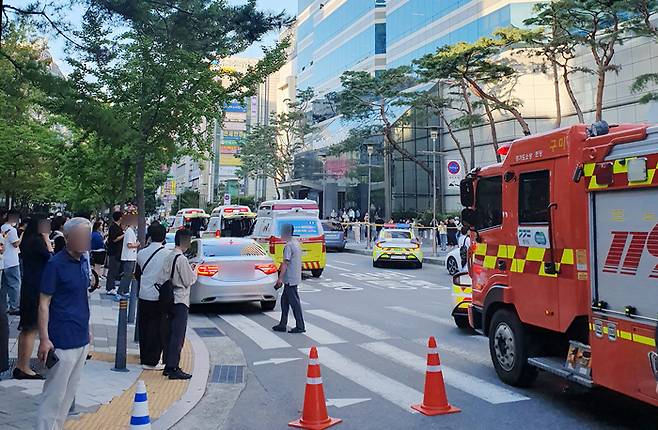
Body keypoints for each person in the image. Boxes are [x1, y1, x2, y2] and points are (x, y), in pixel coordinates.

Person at [36, 218, 92, 430]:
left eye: (87, 236)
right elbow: (43, 303)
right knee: (54, 397)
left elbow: (82, 297)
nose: (85, 241)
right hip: (60, 340)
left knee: (68, 397)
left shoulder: (83, 261)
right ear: (67, 238)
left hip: (80, 338)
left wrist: (88, 330)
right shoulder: (55, 264)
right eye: (81, 237)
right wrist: (44, 339)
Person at [14, 217, 53, 380]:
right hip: (36, 287)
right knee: (31, 328)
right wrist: (46, 239)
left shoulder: (27, 240)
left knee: (26, 328)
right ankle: (25, 367)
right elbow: (52, 259)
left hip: (28, 285)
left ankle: (20, 365)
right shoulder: (38, 242)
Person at [159, 228, 197, 380]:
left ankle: (168, 364)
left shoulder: (169, 256)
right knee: (178, 335)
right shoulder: (181, 259)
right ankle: (173, 367)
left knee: (169, 333)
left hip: (168, 299)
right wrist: (195, 272)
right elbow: (188, 281)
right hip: (180, 299)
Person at [136, 223, 168, 370]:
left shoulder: (141, 253)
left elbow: (137, 274)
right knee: (157, 328)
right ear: (164, 236)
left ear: (149, 236)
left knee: (144, 326)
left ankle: (144, 357)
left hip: (143, 294)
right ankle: (152, 361)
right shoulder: (167, 254)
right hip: (158, 296)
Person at [272, 224, 305, 334]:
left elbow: (285, 263)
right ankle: (282, 324)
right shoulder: (296, 243)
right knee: (284, 301)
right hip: (294, 277)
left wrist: (279, 278)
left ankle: (300, 326)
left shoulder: (289, 246)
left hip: (290, 278)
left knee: (294, 303)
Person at [1, 211, 22, 315]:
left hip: (3, 261)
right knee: (15, 284)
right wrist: (22, 235)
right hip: (12, 261)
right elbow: (15, 244)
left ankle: (3, 306)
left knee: (3, 286)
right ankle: (13, 307)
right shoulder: (12, 230)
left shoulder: (2, 227)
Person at [118, 213, 140, 298]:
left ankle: (125, 291)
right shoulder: (129, 232)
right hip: (128, 257)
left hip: (131, 257)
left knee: (129, 275)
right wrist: (137, 244)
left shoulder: (131, 231)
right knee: (127, 275)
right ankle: (120, 292)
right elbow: (129, 245)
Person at [105, 211, 124, 295]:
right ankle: (109, 288)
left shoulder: (118, 227)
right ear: (120, 218)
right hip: (114, 252)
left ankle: (112, 286)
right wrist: (124, 235)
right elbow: (114, 239)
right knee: (112, 270)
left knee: (115, 270)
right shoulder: (113, 227)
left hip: (117, 252)